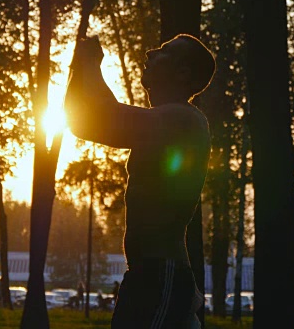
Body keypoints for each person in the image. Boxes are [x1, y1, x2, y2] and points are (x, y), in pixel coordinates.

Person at [65, 34, 215, 329]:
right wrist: (80, 68)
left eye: (163, 51)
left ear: (182, 73)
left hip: (162, 274)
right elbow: (81, 122)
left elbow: (103, 117)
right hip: (146, 276)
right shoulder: (163, 121)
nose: (149, 52)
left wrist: (92, 64)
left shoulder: (184, 120)